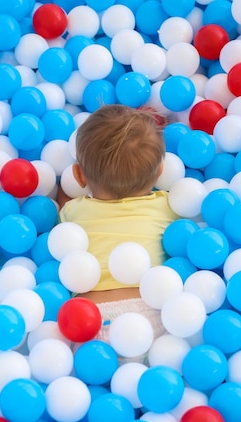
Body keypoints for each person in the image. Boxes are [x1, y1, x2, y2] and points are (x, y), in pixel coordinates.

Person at [58, 104, 178, 348]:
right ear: (160, 173)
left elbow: (62, 204)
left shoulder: (75, 211)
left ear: (79, 177)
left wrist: (61, 189)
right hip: (154, 313)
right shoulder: (169, 207)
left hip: (89, 319)